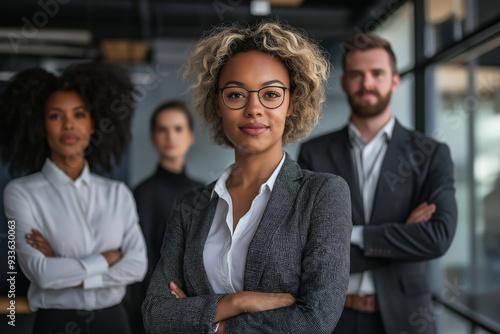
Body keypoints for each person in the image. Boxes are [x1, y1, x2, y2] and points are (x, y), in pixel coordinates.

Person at [142, 21, 352, 333]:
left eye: (270, 94)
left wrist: (216, 326)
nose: (254, 109)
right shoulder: (189, 207)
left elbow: (315, 319)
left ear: (292, 103)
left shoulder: (322, 194)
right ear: (218, 103)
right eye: (237, 94)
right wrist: (238, 302)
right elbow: (156, 316)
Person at [298, 34, 458, 334]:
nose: (367, 83)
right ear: (345, 83)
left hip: (406, 318)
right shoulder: (314, 153)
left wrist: (351, 235)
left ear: (395, 81)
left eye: (377, 74)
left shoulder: (431, 154)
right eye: (357, 75)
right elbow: (306, 248)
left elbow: (437, 236)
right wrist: (404, 238)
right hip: (332, 318)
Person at [1, 62, 147, 334]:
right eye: (55, 116)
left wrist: (62, 264)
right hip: (55, 323)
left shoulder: (117, 193)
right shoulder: (21, 193)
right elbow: (41, 273)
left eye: (79, 114)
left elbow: (137, 266)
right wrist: (107, 258)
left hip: (114, 322)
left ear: (93, 123)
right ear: (41, 125)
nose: (69, 124)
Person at [125, 100, 203, 334]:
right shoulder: (142, 193)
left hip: (200, 308)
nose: (170, 137)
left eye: (178, 129)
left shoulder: (205, 192)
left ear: (190, 136)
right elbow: (142, 262)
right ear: (153, 138)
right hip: (156, 310)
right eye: (162, 129)